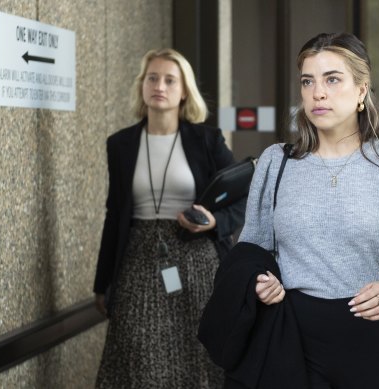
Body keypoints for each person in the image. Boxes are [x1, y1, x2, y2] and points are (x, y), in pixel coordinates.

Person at [237, 32, 379, 388]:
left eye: (332, 79)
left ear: (362, 89)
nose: (318, 93)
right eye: (308, 81)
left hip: (373, 333)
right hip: (291, 333)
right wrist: (261, 281)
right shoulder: (276, 162)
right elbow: (253, 248)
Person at [93, 48, 245, 388]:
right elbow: (114, 213)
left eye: (169, 79)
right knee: (138, 351)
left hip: (196, 258)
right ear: (142, 86)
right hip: (138, 258)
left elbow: (243, 194)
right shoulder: (120, 144)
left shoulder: (206, 140)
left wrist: (215, 221)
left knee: (197, 354)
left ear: (183, 91)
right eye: (152, 77)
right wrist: (102, 282)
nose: (159, 85)